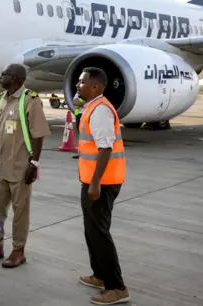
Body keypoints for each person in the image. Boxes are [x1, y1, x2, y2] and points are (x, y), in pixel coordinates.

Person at [0, 63, 50, 268]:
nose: (1, 76)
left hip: (21, 167)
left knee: (20, 212)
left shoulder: (30, 100)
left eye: (5, 74)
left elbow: (38, 134)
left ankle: (18, 251)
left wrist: (34, 163)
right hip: (0, 165)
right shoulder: (0, 99)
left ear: (17, 78)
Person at [75, 67, 130, 305]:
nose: (78, 85)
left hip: (103, 183)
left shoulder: (100, 111)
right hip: (92, 180)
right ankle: (99, 275)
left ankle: (116, 287)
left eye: (82, 82)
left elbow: (105, 147)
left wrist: (95, 183)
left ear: (95, 87)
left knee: (99, 233)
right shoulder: (92, 107)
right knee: (91, 231)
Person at [72, 91, 85, 159]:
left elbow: (87, 103)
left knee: (86, 135)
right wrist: (82, 102)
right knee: (80, 135)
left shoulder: (89, 91)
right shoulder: (78, 92)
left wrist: (81, 102)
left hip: (85, 114)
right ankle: (80, 152)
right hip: (78, 115)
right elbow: (74, 101)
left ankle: (85, 152)